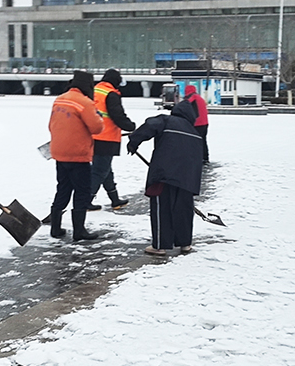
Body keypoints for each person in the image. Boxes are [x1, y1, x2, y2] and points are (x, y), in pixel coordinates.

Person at [126, 100, 203, 256]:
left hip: (164, 174)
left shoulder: (166, 120)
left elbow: (149, 126)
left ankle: (160, 246)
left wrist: (134, 142)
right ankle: (185, 243)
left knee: (162, 208)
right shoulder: (195, 133)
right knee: (184, 210)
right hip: (188, 179)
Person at [48, 70, 103, 241]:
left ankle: (55, 228)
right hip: (78, 155)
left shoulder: (59, 99)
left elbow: (51, 125)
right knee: (82, 191)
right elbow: (96, 128)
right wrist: (99, 117)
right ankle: (79, 231)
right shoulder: (85, 102)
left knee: (63, 189)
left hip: (59, 153)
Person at [87, 68, 136, 211]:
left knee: (105, 170)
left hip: (92, 136)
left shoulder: (94, 91)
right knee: (99, 171)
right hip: (106, 138)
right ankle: (85, 201)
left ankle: (115, 200)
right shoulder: (111, 94)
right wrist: (131, 126)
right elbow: (118, 115)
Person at [183, 85, 210, 163]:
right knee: (203, 141)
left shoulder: (192, 98)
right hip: (205, 123)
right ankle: (205, 157)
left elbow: (188, 109)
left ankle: (196, 158)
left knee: (194, 141)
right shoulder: (200, 98)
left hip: (197, 124)